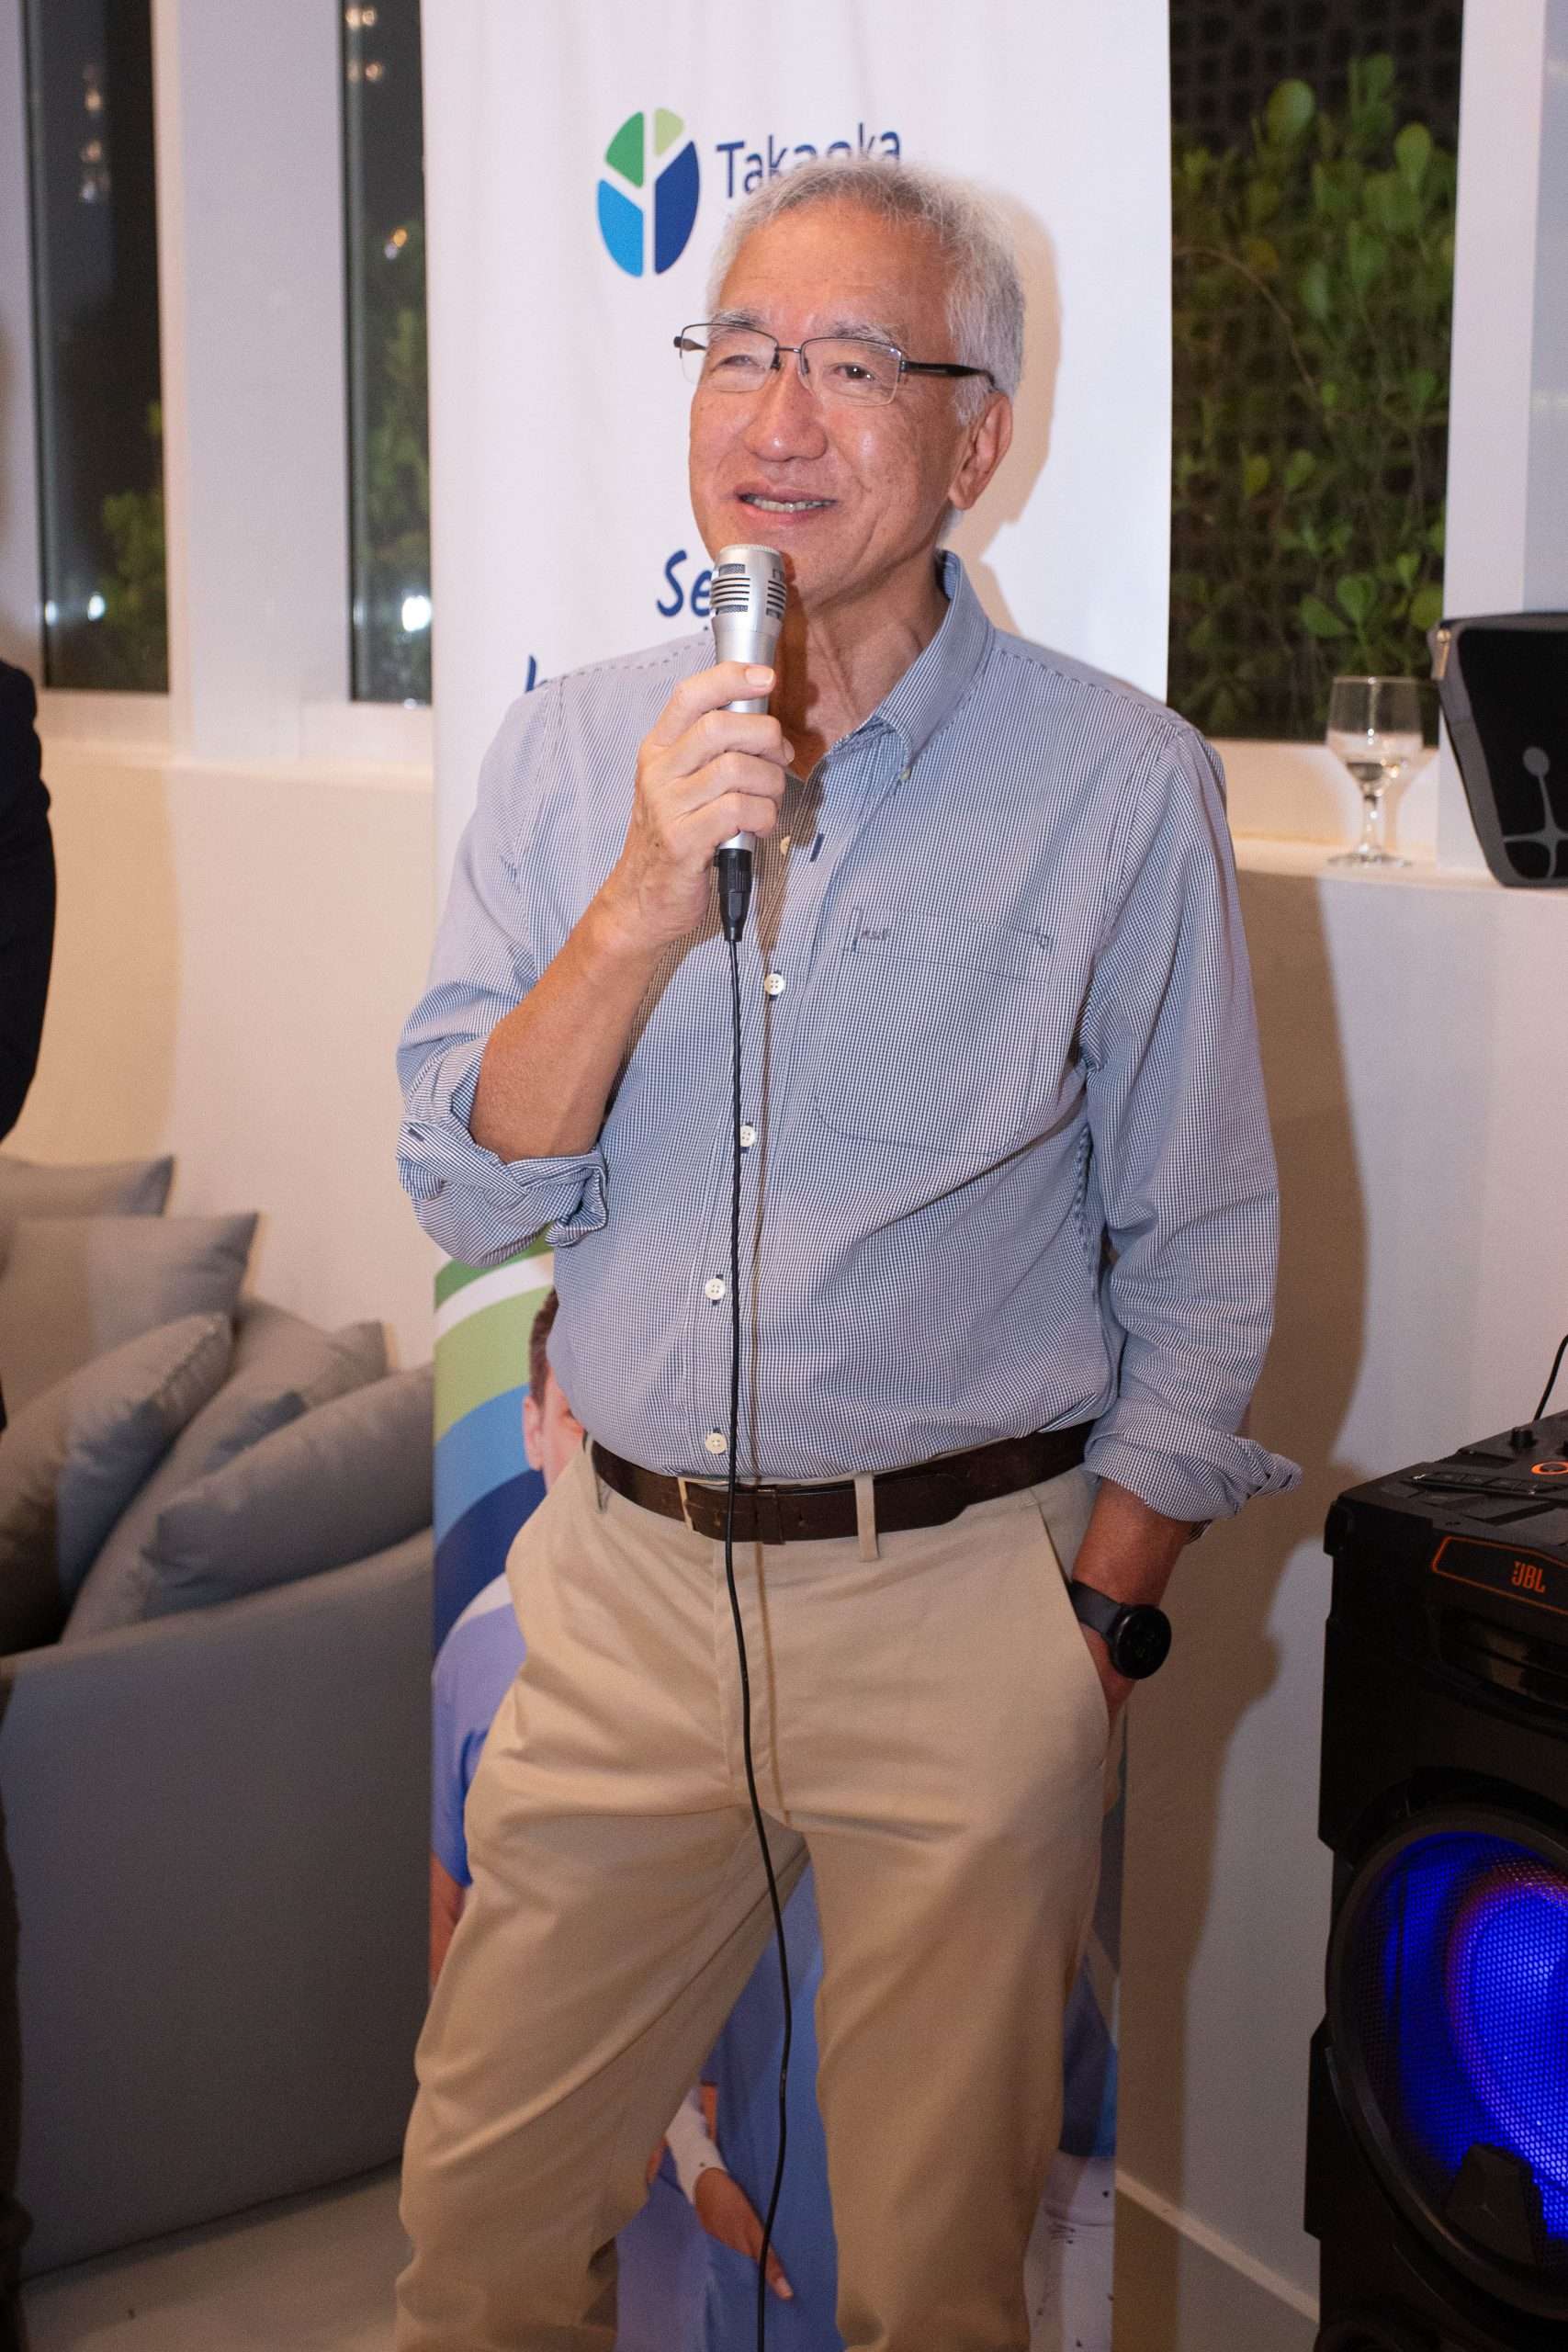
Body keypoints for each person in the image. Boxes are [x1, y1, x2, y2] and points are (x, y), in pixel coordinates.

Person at [394, 154, 1298, 2350]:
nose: (774, 415)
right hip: (618, 1597)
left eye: (852, 363)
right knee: (481, 2232)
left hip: (959, 1603)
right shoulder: (569, 751)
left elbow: (1199, 1239)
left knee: (931, 2283)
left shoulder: (1118, 783)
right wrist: (641, 889)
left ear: (974, 441)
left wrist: (1090, 1625)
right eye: (738, 352)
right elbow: (470, 1181)